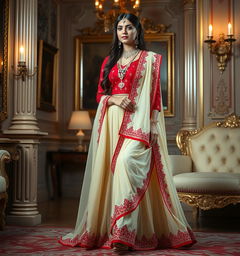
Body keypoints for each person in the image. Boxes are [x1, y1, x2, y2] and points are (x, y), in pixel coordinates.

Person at [59, 13, 196, 254]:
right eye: (120, 27)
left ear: (137, 31)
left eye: (129, 27)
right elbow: (100, 95)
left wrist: (153, 125)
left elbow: (155, 97)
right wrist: (113, 99)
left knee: (125, 163)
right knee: (110, 174)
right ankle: (116, 233)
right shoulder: (109, 61)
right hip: (112, 122)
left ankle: (124, 231)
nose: (124, 31)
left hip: (139, 122)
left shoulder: (149, 59)